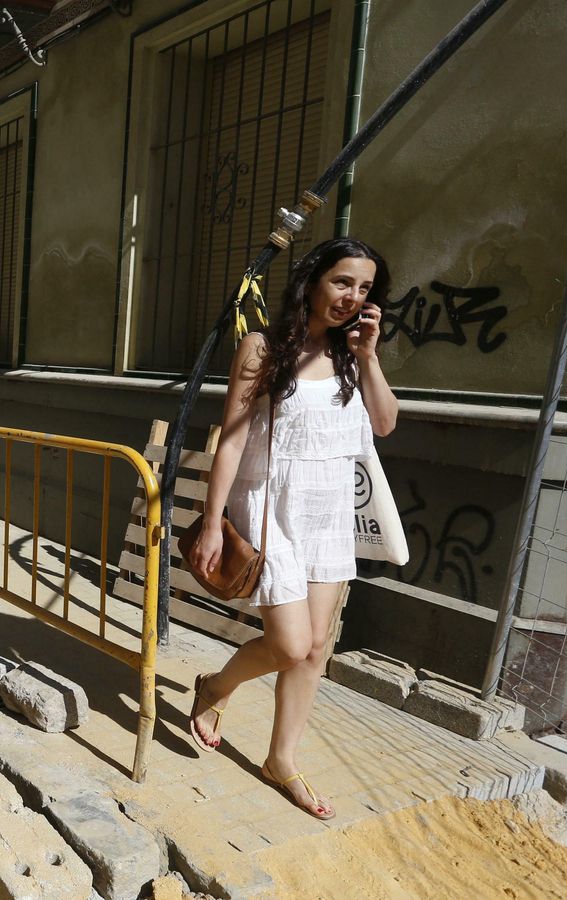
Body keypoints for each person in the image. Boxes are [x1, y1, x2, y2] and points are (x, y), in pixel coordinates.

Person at [186, 237, 400, 820]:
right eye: (342, 282)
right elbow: (231, 437)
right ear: (312, 281)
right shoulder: (263, 348)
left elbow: (384, 423)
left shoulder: (355, 356)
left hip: (328, 514)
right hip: (272, 506)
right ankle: (214, 688)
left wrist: (372, 356)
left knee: (315, 651)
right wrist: (213, 521)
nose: (352, 297)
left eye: (364, 289)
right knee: (289, 643)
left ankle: (281, 758)